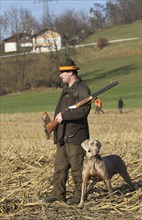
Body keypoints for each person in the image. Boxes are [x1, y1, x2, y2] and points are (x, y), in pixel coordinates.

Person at [44, 58, 91, 205]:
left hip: (76, 136)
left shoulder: (82, 88)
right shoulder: (66, 89)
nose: (60, 75)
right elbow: (61, 112)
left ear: (71, 72)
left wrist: (64, 116)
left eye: (62, 72)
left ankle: (79, 197)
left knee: (77, 168)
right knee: (59, 168)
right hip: (63, 135)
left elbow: (84, 111)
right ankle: (58, 195)